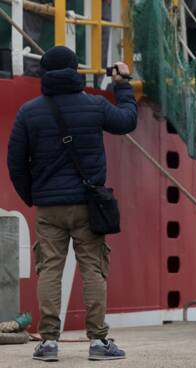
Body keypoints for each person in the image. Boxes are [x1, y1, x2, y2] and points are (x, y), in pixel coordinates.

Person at [6, 46, 137, 362]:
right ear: (75, 70)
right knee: (93, 267)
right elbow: (126, 121)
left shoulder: (29, 111)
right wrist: (123, 84)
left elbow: (15, 163)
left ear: (45, 74)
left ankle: (48, 342)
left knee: (49, 268)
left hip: (49, 207)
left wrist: (33, 196)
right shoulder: (93, 106)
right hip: (87, 204)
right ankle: (98, 342)